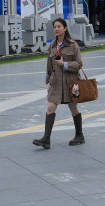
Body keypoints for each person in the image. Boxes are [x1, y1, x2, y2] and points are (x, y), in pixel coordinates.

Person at [32, 18, 85, 149]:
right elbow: (49, 63)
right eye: (55, 27)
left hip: (72, 82)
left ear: (65, 28)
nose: (56, 29)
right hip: (55, 82)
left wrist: (64, 64)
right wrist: (48, 77)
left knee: (73, 108)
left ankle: (79, 135)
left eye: (59, 26)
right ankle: (46, 139)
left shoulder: (73, 45)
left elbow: (79, 64)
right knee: (51, 107)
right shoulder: (52, 45)